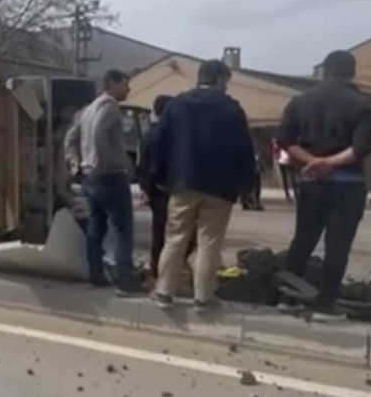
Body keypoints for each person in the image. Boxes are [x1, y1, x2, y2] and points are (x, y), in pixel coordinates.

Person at [277, 50, 371, 322]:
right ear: (352, 72)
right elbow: (361, 148)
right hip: (347, 185)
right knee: (337, 245)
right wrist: (331, 162)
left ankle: (288, 296)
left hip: (312, 184)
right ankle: (325, 304)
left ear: (324, 71)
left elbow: (285, 139)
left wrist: (314, 162)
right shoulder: (361, 105)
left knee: (303, 240)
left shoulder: (300, 102)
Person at [150, 59, 256, 312]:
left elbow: (158, 143)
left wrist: (159, 177)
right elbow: (244, 149)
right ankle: (204, 297)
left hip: (183, 183)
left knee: (175, 238)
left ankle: (164, 292)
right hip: (220, 188)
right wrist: (246, 186)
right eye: (226, 82)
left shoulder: (177, 106)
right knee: (209, 242)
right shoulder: (232, 109)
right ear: (219, 79)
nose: (227, 87)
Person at [64, 70, 144, 295]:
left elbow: (70, 138)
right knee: (122, 229)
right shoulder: (109, 107)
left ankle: (96, 273)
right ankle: (125, 279)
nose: (128, 89)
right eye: (125, 84)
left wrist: (76, 163)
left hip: (89, 177)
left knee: (96, 226)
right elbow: (100, 135)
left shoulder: (88, 109)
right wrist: (105, 164)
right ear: (111, 84)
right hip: (108, 176)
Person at [138, 95, 199, 279]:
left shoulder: (150, 133)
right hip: (166, 190)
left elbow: (144, 164)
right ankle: (162, 271)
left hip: (157, 190)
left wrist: (145, 187)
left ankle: (159, 270)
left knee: (161, 233)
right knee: (179, 235)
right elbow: (153, 164)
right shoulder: (166, 135)